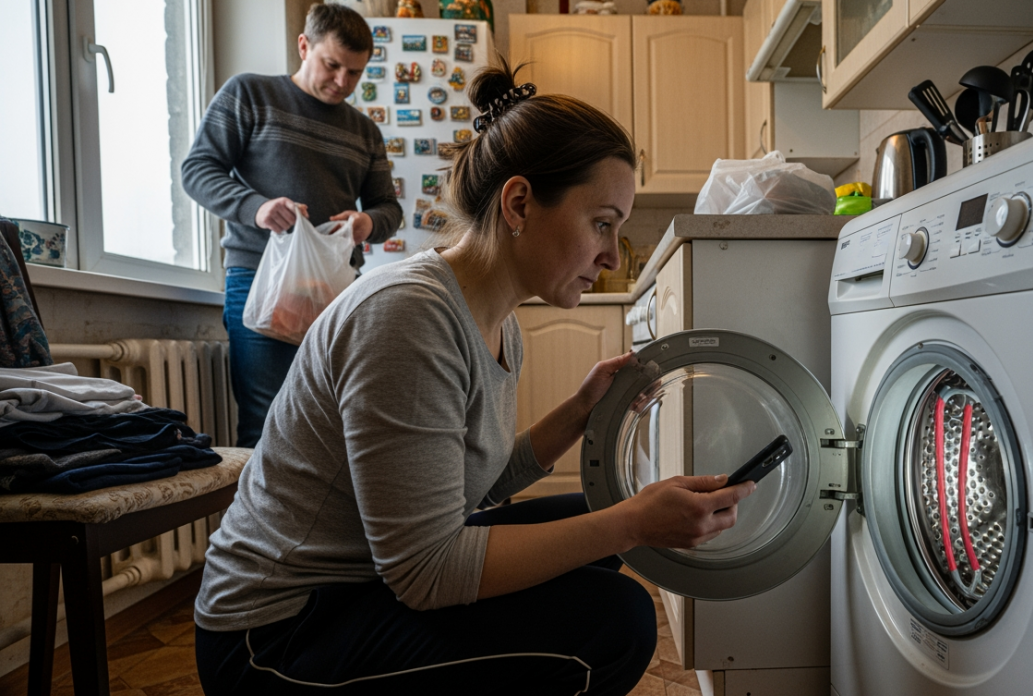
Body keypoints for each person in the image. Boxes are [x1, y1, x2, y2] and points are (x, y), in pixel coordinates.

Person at [191, 63, 757, 696]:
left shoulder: (494, 319)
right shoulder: (408, 317)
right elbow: (425, 571)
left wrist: (580, 410)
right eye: (602, 222)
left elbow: (471, 487)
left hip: (365, 581)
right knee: (616, 621)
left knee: (601, 520)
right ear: (519, 203)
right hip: (277, 634)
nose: (612, 254)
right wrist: (636, 522)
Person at [181, 4, 402, 448]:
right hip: (259, 278)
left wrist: (365, 223)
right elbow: (198, 169)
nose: (343, 82)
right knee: (263, 421)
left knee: (335, 421)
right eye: (332, 65)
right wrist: (255, 208)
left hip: (336, 290)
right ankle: (256, 521)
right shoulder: (249, 93)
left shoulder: (365, 132)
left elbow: (387, 209)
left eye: (355, 73)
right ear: (304, 46)